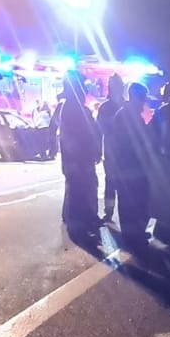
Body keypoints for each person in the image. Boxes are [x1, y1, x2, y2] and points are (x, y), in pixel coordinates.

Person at [102, 82, 152, 248]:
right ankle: (133, 237)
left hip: (128, 167)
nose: (144, 102)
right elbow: (134, 142)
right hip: (129, 168)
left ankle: (134, 234)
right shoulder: (128, 116)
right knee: (132, 203)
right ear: (136, 97)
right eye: (143, 98)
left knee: (132, 203)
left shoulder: (127, 114)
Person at [58, 74, 101, 247]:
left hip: (80, 159)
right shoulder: (72, 108)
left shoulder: (75, 107)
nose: (85, 90)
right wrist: (82, 157)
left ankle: (84, 220)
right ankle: (79, 228)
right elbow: (75, 137)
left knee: (81, 189)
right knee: (79, 191)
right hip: (78, 160)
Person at [95, 72, 125, 222]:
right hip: (113, 153)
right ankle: (109, 212)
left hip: (118, 153)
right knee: (112, 183)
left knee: (115, 184)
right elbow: (99, 131)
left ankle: (112, 213)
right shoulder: (109, 108)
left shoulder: (108, 107)